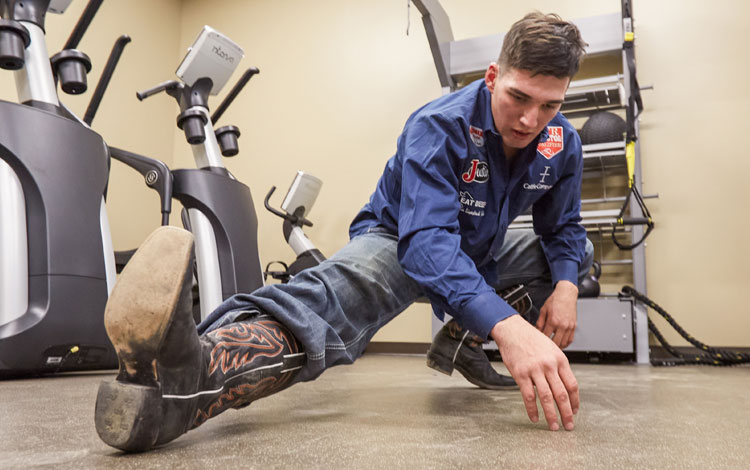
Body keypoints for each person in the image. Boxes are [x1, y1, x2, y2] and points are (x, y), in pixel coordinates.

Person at [94, 11, 592, 452]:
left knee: (575, 254)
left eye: (549, 105)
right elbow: (427, 245)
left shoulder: (560, 143)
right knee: (338, 297)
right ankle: (191, 377)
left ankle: (462, 340)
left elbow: (563, 227)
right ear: (492, 77)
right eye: (518, 97)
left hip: (481, 248)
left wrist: (567, 286)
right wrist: (510, 329)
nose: (531, 119)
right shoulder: (439, 126)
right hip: (402, 238)